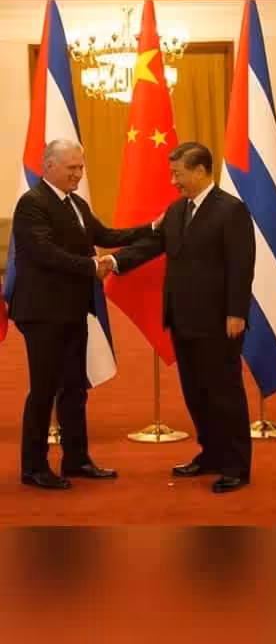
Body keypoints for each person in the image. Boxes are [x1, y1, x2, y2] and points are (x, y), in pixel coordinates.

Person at [9, 140, 155, 489]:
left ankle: (76, 460)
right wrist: (92, 266)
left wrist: (152, 229)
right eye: (72, 167)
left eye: (80, 167)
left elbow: (105, 235)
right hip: (42, 313)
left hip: (73, 310)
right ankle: (34, 467)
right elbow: (44, 252)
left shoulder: (76, 203)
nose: (78, 173)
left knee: (74, 388)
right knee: (44, 390)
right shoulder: (32, 204)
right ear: (48, 167)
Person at [112, 142, 256, 493]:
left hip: (219, 320)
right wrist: (114, 263)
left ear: (201, 170)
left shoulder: (231, 210)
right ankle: (210, 454)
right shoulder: (177, 210)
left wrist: (236, 311)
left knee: (224, 393)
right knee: (195, 391)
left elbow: (242, 265)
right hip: (181, 318)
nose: (173, 180)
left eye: (178, 173)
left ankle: (236, 466)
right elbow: (151, 246)